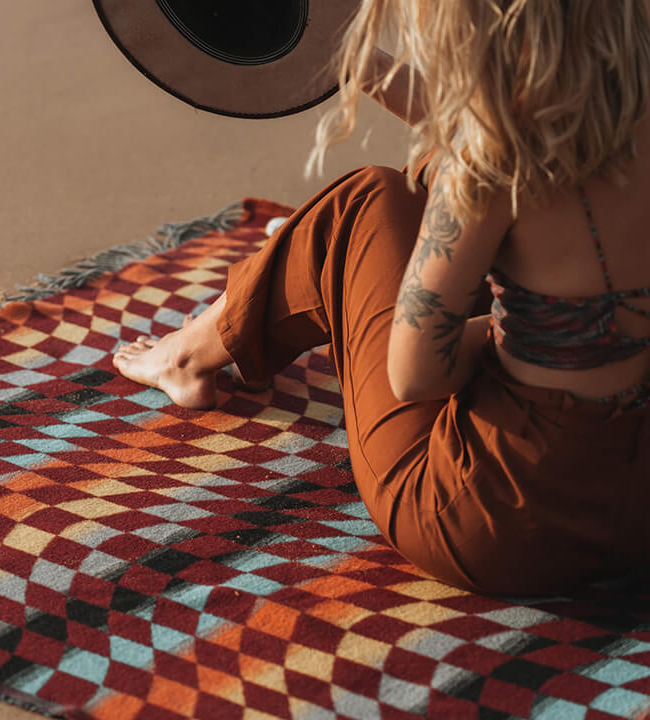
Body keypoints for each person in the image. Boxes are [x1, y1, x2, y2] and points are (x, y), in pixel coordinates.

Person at [113, 0, 650, 596]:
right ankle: (241, 314)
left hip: (500, 529)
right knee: (422, 188)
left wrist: (525, 332)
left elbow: (417, 375)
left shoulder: (488, 162)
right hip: (634, 515)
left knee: (365, 204)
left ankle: (187, 356)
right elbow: (518, 149)